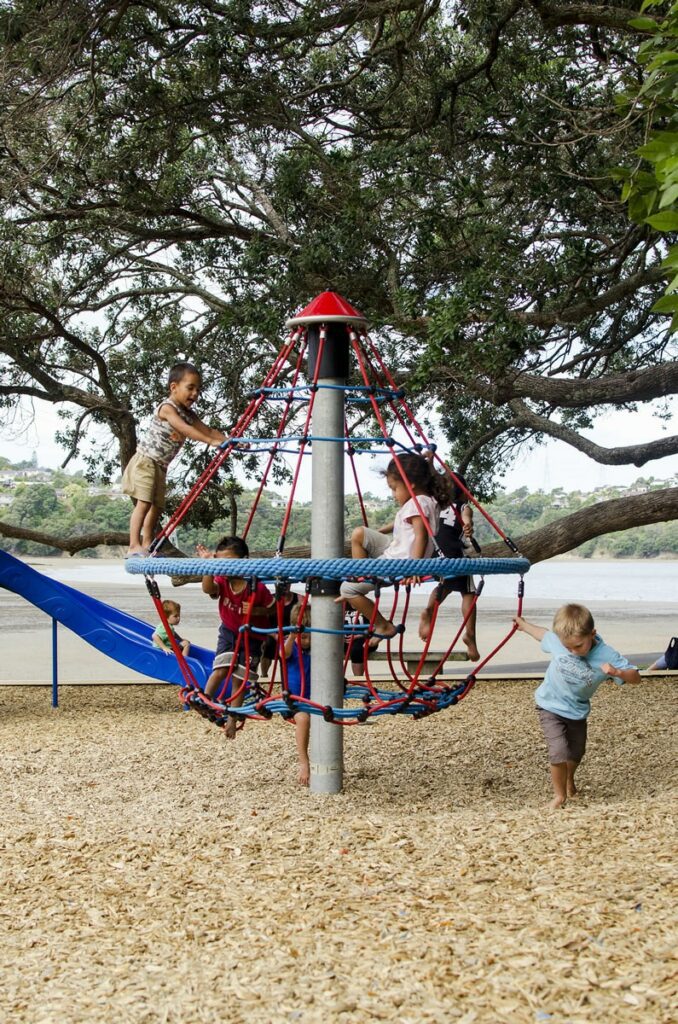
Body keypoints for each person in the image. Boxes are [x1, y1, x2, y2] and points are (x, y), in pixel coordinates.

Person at [513, 604, 641, 810]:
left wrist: (618, 673)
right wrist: (524, 625)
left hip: (577, 711)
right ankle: (559, 796)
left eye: (579, 646)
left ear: (593, 634)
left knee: (576, 752)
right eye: (567, 647)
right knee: (559, 751)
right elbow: (543, 635)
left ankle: (568, 780)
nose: (573, 651)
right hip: (550, 705)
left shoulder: (606, 654)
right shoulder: (558, 641)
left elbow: (636, 677)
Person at [338, 452, 447, 646]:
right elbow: (407, 531)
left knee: (347, 589)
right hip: (396, 551)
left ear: (410, 483)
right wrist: (427, 462)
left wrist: (414, 568)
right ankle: (362, 578)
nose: (393, 494)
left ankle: (381, 624)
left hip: (399, 562)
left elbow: (421, 535)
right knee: (359, 534)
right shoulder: (427, 499)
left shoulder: (417, 503)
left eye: (394, 488)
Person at [122, 362, 226, 557]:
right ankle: (133, 544)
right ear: (174, 387)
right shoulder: (167, 408)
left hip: (161, 466)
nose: (195, 394)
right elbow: (186, 429)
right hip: (146, 461)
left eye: (198, 389)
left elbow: (209, 430)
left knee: (157, 507)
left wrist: (229, 441)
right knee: (144, 503)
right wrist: (211, 441)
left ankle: (148, 544)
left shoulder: (189, 414)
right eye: (190, 388)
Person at [197, 535, 275, 738]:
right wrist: (207, 567)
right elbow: (208, 589)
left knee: (239, 680)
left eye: (229, 562)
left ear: (244, 560)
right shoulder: (222, 580)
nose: (226, 567)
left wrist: (255, 611)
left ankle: (232, 720)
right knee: (221, 668)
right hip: (229, 631)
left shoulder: (256, 587)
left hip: (253, 637)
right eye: (221, 563)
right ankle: (205, 701)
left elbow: (271, 609)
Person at [418, 472, 480, 661]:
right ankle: (470, 635)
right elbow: (466, 516)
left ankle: (429, 609)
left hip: (435, 551)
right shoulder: (463, 505)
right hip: (454, 551)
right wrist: (468, 525)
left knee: (445, 584)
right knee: (469, 592)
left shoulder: (435, 505)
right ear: (463, 492)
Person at [283, 602, 313, 786]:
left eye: (309, 637)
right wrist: (292, 636)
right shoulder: (290, 645)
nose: (305, 641)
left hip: (314, 700)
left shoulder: (318, 647)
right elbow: (282, 654)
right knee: (303, 719)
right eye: (302, 637)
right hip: (293, 700)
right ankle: (304, 762)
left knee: (329, 716)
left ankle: (332, 758)